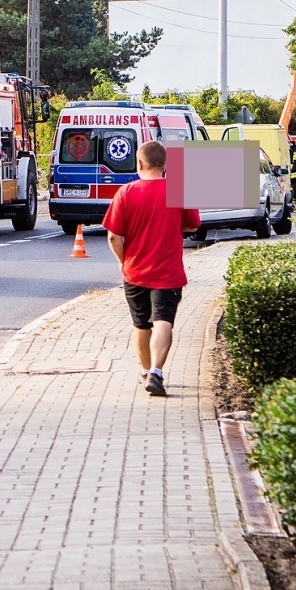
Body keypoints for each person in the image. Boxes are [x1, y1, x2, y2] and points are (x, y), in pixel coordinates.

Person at [102, 139, 200, 398]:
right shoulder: (179, 190)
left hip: (134, 272)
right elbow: (193, 225)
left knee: (141, 324)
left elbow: (113, 237)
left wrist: (123, 261)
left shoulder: (126, 192)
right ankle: (156, 372)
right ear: (165, 164)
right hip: (168, 273)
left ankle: (145, 372)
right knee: (163, 322)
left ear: (140, 163)